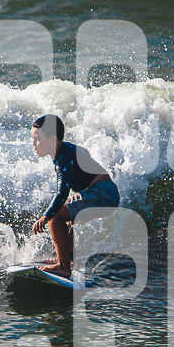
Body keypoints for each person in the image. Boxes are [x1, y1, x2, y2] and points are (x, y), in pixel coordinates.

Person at [30, 114, 120, 278]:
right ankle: (69, 259)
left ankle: (63, 266)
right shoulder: (68, 149)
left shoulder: (63, 159)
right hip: (107, 191)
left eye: (37, 139)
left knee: (55, 216)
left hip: (102, 192)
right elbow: (84, 153)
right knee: (68, 214)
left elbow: (62, 193)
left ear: (53, 140)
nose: (33, 144)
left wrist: (46, 216)